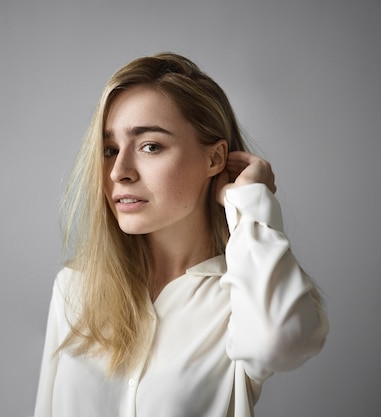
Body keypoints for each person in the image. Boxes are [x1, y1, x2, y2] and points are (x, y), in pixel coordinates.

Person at [33, 52, 328, 417]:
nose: (118, 171)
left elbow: (283, 344)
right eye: (109, 150)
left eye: (149, 146)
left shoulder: (243, 297)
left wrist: (250, 204)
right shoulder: (74, 290)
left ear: (214, 159)